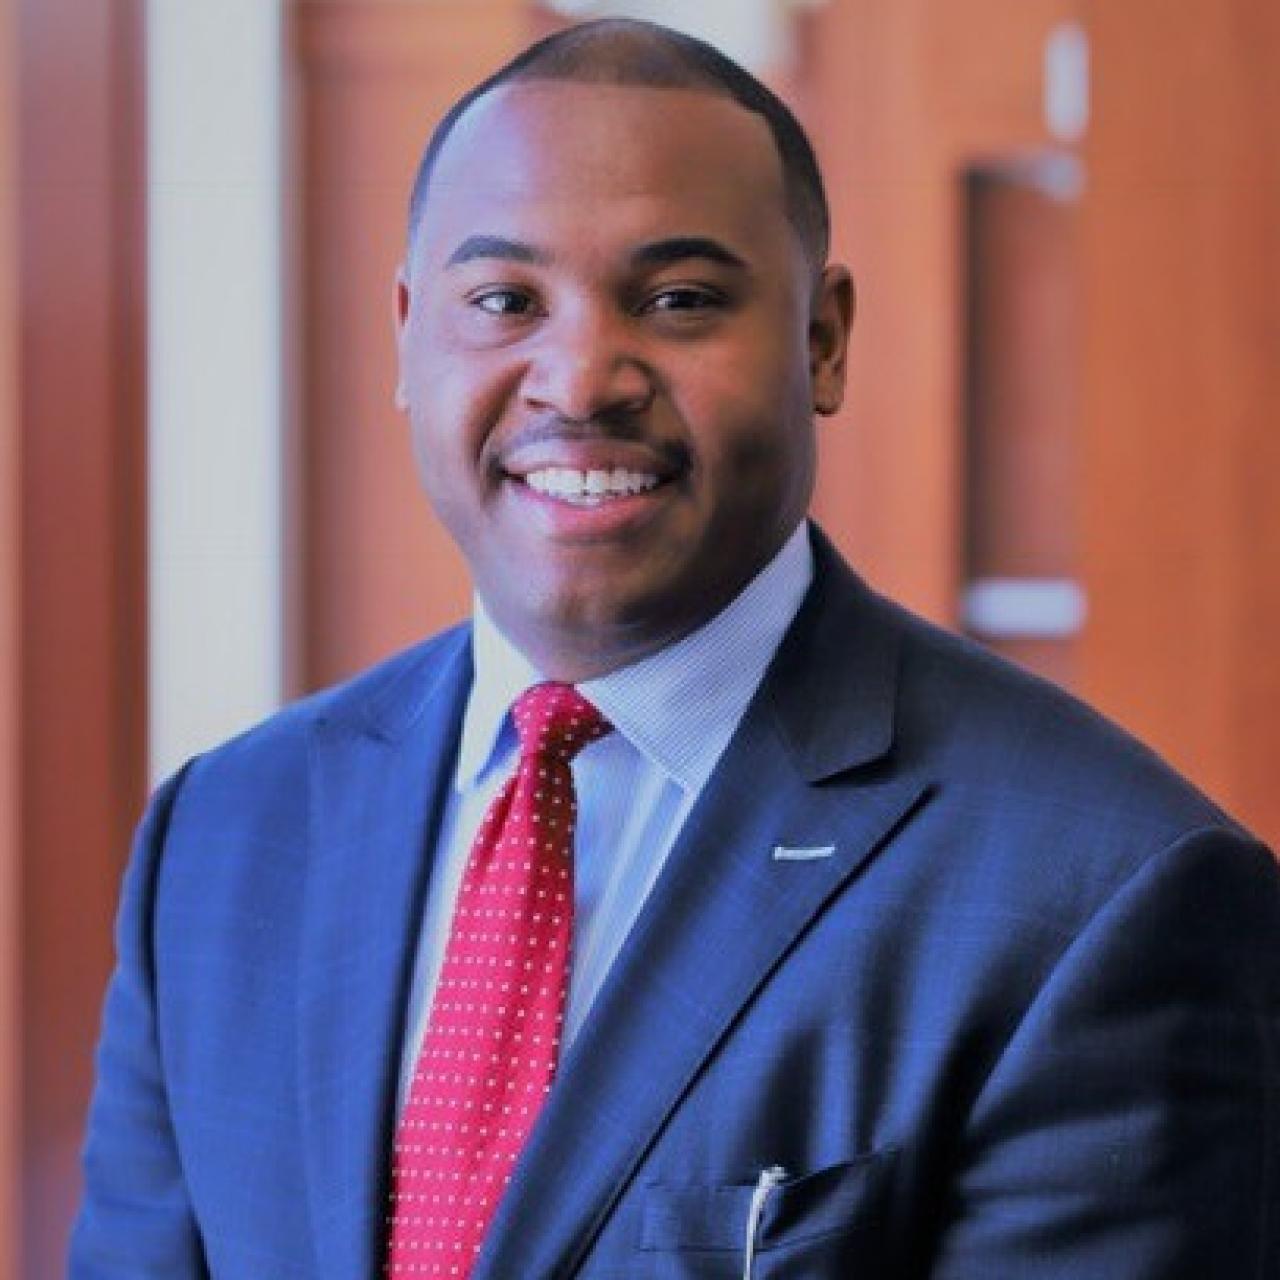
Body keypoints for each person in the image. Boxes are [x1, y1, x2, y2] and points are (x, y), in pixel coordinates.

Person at [71, 18, 1279, 1280]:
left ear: (821, 339)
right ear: (405, 335)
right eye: (503, 301)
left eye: (679, 299)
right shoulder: (221, 838)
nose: (581, 377)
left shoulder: (1099, 893)